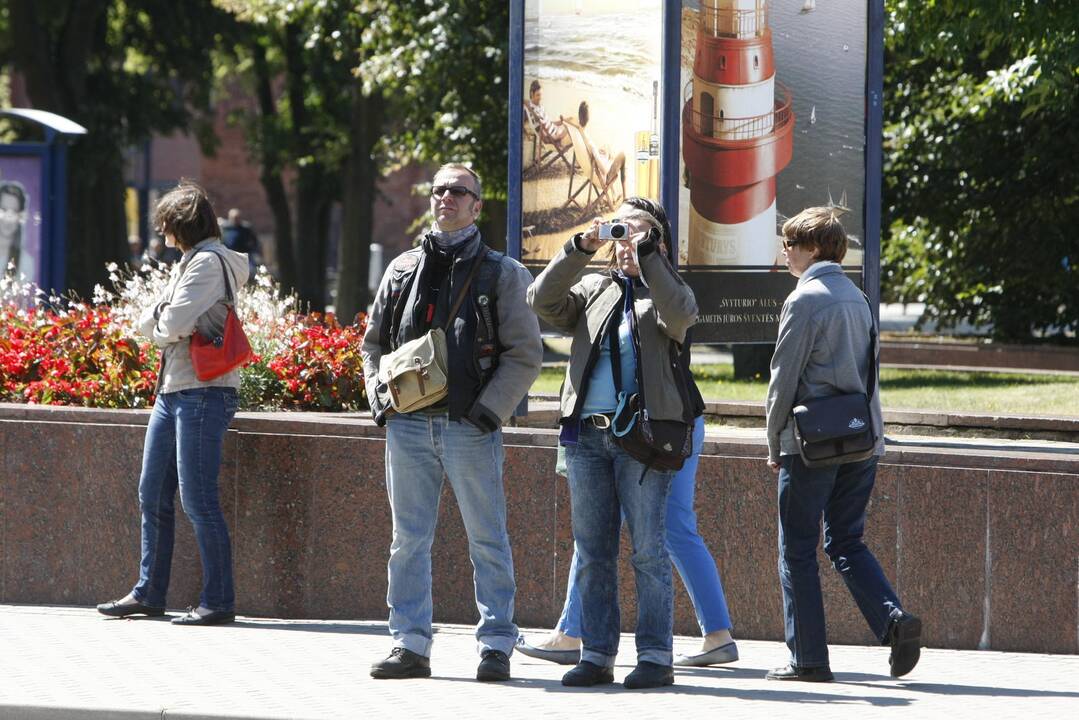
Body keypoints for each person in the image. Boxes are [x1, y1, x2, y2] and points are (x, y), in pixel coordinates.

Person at [361, 163, 543, 682]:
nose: (446, 198)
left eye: (458, 191)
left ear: (476, 205)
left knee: (487, 537)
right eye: (439, 190)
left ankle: (495, 645)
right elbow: (373, 344)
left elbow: (526, 354)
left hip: (470, 426)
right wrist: (379, 396)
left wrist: (490, 411)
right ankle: (410, 644)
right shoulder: (400, 270)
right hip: (407, 427)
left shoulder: (502, 272)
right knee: (407, 540)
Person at [527, 197, 697, 690]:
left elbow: (681, 316)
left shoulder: (665, 292)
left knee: (647, 549)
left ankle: (655, 656)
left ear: (659, 242)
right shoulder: (594, 288)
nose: (625, 241)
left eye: (638, 232)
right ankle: (597, 654)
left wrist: (648, 260)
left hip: (643, 440)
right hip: (587, 438)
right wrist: (581, 247)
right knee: (593, 550)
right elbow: (541, 301)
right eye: (620, 230)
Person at [764, 206, 921, 682]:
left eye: (790, 244)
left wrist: (774, 440)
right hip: (860, 439)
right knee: (847, 540)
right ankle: (893, 619)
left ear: (813, 249)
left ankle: (808, 659)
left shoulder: (805, 300)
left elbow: (783, 377)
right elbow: (870, 376)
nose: (785, 252)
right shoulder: (857, 297)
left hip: (811, 445)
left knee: (797, 550)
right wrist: (875, 440)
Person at [96, 181, 250, 626]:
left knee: (198, 500)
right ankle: (148, 593)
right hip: (175, 389)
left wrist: (161, 323)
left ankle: (219, 601)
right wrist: (162, 322)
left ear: (180, 224)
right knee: (152, 494)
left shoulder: (206, 263)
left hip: (203, 390)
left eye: (165, 223)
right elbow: (160, 318)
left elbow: (169, 322)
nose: (161, 231)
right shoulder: (190, 261)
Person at [567, 101, 626, 204]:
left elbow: (571, 121)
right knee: (623, 155)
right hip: (603, 177)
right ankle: (625, 196)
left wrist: (601, 154)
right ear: (588, 118)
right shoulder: (590, 144)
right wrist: (609, 160)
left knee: (606, 147)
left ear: (579, 116)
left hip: (592, 167)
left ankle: (614, 194)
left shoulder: (580, 132)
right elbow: (604, 170)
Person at [0, 180, 33, 280]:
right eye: (4, 210)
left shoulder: (26, 263)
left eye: (14, 212)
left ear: (21, 217)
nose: (8, 218)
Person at [524, 79, 570, 147]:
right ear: (531, 94)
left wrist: (562, 121)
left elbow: (549, 123)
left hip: (556, 131)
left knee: (571, 120)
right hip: (554, 138)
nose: (540, 98)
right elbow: (544, 135)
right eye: (538, 95)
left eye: (541, 95)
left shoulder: (540, 107)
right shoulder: (533, 111)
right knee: (572, 129)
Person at [221, 208, 262, 279]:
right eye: (234, 218)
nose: (236, 220)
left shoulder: (246, 228)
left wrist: (256, 253)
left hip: (245, 256)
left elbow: (255, 242)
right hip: (230, 256)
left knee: (251, 272)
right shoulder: (225, 229)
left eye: (237, 218)